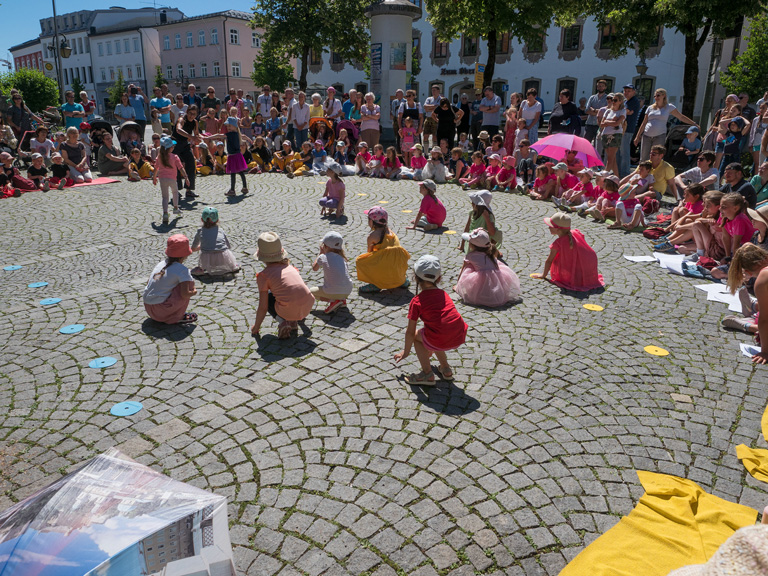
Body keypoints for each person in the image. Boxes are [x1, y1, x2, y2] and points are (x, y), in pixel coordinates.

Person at [394, 255, 467, 386]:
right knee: (433, 332)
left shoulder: (417, 301)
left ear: (415, 277)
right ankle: (446, 369)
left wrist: (406, 352)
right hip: (459, 335)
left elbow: (410, 332)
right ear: (439, 278)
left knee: (418, 337)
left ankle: (427, 374)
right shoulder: (444, 294)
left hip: (440, 338)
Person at [251, 231, 315, 339]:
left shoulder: (264, 276)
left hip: (288, 310)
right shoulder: (291, 267)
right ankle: (293, 321)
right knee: (289, 293)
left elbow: (263, 307)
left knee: (269, 297)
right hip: (307, 306)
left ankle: (283, 321)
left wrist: (256, 328)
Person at [532, 212, 605, 291]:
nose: (548, 228)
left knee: (556, 259)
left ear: (558, 229)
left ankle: (569, 276)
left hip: (576, 269)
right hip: (588, 265)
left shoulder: (558, 243)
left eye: (550, 226)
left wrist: (543, 275)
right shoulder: (575, 233)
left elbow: (549, 261)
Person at [455, 228, 521, 307]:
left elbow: (463, 270)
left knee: (468, 267)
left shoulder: (471, 256)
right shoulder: (490, 251)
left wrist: (458, 286)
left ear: (471, 245)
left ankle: (479, 292)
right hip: (496, 276)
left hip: (481, 278)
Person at [143, 234, 198, 325]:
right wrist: (194, 291)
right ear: (185, 254)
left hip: (149, 308)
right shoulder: (182, 270)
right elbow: (185, 294)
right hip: (162, 311)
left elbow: (149, 282)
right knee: (189, 284)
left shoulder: (161, 264)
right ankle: (176, 316)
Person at [727, 244, 768, 364]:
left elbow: (764, 319)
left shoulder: (762, 279)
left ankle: (747, 322)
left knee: (760, 318)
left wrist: (765, 351)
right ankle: (751, 309)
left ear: (748, 272)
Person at [356, 206, 411, 293]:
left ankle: (376, 284)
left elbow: (370, 254)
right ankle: (401, 280)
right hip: (397, 264)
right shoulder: (390, 231)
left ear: (371, 221)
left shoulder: (372, 236)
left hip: (385, 265)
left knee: (360, 260)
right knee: (388, 263)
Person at [634, 88, 698, 161]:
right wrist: (637, 136)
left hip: (659, 135)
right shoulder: (650, 108)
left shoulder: (669, 107)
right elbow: (644, 123)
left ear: (663, 95)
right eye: (655, 96)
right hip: (646, 135)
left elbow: (681, 117)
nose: (656, 98)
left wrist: (694, 123)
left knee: (656, 157)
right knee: (644, 158)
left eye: (658, 95)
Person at [310, 231, 353, 314]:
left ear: (325, 246)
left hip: (332, 291)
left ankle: (334, 301)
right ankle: (342, 300)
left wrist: (320, 253)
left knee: (310, 292)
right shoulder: (342, 258)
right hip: (348, 290)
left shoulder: (323, 257)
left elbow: (314, 268)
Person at [189, 206, 239, 276]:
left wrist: (201, 246)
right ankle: (233, 266)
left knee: (204, 253)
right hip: (223, 258)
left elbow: (193, 249)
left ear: (202, 219)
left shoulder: (200, 231)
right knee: (226, 251)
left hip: (207, 259)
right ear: (217, 220)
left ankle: (201, 269)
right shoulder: (220, 230)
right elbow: (228, 246)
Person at [153, 136, 189, 224]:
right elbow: (181, 168)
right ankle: (176, 208)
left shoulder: (159, 157)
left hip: (162, 179)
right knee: (175, 192)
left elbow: (156, 168)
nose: (173, 147)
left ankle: (165, 213)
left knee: (165, 197)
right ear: (170, 147)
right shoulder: (175, 157)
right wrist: (186, 177)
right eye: (173, 146)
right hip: (172, 179)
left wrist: (154, 178)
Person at [171, 105, 200, 199]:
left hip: (184, 144)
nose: (192, 116)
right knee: (175, 166)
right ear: (187, 112)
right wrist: (191, 137)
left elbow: (197, 134)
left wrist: (204, 138)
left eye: (194, 114)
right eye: (190, 113)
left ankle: (189, 189)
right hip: (175, 144)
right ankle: (176, 190)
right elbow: (178, 130)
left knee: (191, 163)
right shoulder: (181, 119)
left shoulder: (195, 122)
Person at [600, 92, 626, 176]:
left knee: (610, 158)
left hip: (615, 135)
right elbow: (601, 124)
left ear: (620, 101)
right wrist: (612, 121)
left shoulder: (622, 111)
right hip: (605, 135)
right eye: (612, 100)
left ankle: (604, 176)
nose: (612, 102)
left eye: (615, 100)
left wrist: (607, 122)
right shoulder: (608, 111)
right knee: (612, 158)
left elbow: (617, 123)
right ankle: (617, 178)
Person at [619, 84, 641, 177]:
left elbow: (628, 111)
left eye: (629, 91)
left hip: (627, 129)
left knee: (624, 151)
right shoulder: (626, 101)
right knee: (619, 151)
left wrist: (620, 109)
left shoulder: (634, 101)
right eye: (625, 91)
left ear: (634, 92)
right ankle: (619, 171)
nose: (626, 93)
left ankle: (625, 173)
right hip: (622, 129)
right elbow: (625, 111)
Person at [583, 80, 609, 144]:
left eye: (602, 86)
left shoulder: (607, 98)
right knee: (586, 143)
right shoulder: (592, 98)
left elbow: (606, 111)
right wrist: (599, 112)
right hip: (589, 124)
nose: (600, 87)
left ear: (605, 87)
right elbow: (587, 110)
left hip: (600, 125)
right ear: (597, 87)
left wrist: (594, 110)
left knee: (598, 144)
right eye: (599, 86)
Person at [423, 84, 443, 149]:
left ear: (438, 91)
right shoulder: (429, 99)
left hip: (436, 118)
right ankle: (426, 152)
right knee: (425, 135)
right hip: (428, 118)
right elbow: (425, 107)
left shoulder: (441, 99)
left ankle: (434, 151)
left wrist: (430, 108)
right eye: (432, 90)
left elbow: (440, 108)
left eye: (434, 90)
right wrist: (435, 107)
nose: (433, 92)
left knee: (435, 136)